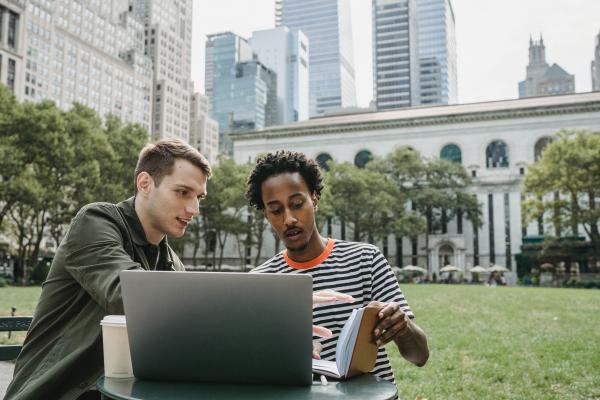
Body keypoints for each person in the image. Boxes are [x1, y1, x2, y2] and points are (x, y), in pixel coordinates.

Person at [5, 138, 211, 400]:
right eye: (183, 192)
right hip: (54, 392)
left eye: (199, 197)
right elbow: (126, 295)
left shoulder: (171, 262)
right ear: (145, 183)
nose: (194, 209)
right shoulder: (94, 221)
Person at [246, 150, 429, 384]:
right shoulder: (259, 281)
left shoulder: (366, 259)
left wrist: (402, 327)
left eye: (297, 204)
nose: (289, 218)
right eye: (276, 210)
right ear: (265, 214)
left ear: (314, 199)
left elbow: (419, 356)